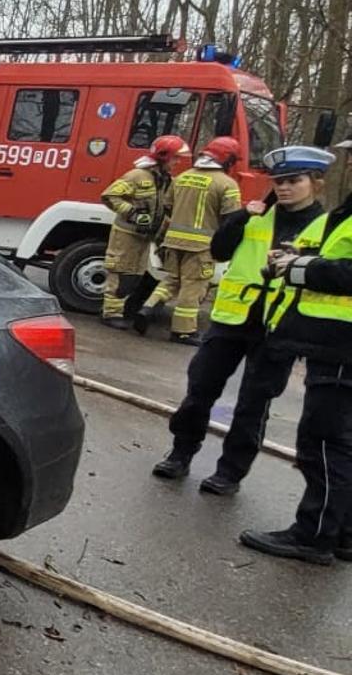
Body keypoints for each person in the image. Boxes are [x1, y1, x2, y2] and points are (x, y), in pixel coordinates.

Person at [149, 146, 328, 494]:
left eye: (294, 181)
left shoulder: (325, 228)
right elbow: (219, 251)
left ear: (316, 183)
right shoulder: (256, 215)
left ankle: (230, 472)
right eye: (279, 181)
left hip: (279, 327)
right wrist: (240, 218)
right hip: (232, 318)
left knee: (253, 404)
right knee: (200, 390)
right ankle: (180, 453)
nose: (285, 188)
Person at [241, 145, 352, 564]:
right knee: (340, 441)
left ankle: (314, 535)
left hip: (342, 346)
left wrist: (299, 268)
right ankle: (341, 532)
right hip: (335, 343)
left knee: (324, 441)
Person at [139, 136, 244, 344]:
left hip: (172, 241)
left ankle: (147, 307)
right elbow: (231, 218)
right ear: (228, 160)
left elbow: (167, 206)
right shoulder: (227, 184)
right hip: (202, 245)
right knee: (192, 287)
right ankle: (183, 331)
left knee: (172, 280)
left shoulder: (182, 177)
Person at [100, 136, 181, 327]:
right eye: (175, 158)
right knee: (121, 273)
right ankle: (110, 314)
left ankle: (121, 311)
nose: (177, 162)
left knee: (135, 275)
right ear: (163, 157)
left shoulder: (165, 180)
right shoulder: (137, 176)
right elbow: (109, 195)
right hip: (127, 234)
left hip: (145, 237)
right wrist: (133, 213)